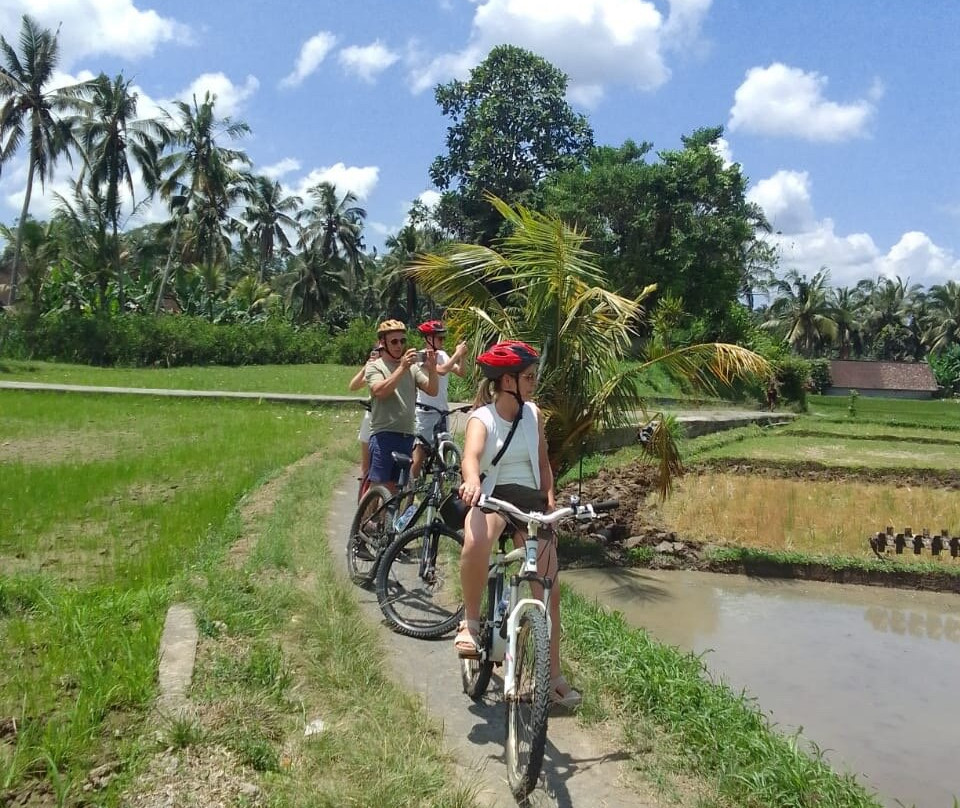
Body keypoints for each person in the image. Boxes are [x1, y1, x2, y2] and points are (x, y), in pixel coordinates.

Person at [454, 340, 581, 709]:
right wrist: (472, 482)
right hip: (493, 495)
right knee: (476, 541)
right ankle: (470, 624)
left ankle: (552, 677)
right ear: (507, 381)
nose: (534, 383)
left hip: (529, 502)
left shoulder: (533, 414)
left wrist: (550, 500)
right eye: (528, 377)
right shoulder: (482, 418)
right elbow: (471, 457)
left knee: (549, 589)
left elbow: (542, 462)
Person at [364, 320, 438, 493]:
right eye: (394, 341)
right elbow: (380, 391)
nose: (399, 346)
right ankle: (366, 512)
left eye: (403, 341)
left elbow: (432, 390)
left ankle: (389, 512)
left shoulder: (412, 368)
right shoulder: (375, 367)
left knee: (397, 490)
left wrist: (432, 369)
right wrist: (402, 368)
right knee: (378, 487)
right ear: (383, 343)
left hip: (406, 435)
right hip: (384, 435)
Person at [411, 320, 468, 479]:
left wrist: (462, 357)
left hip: (442, 411)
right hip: (426, 411)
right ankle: (410, 485)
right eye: (440, 338)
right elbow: (441, 370)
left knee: (442, 454)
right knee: (420, 453)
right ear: (429, 339)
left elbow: (461, 372)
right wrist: (457, 354)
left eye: (443, 338)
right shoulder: (421, 356)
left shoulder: (442, 355)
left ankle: (440, 488)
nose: (442, 342)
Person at [348, 346, 381, 493]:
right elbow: (353, 386)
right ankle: (363, 498)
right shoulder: (373, 369)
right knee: (366, 467)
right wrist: (365, 368)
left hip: (387, 419)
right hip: (371, 416)